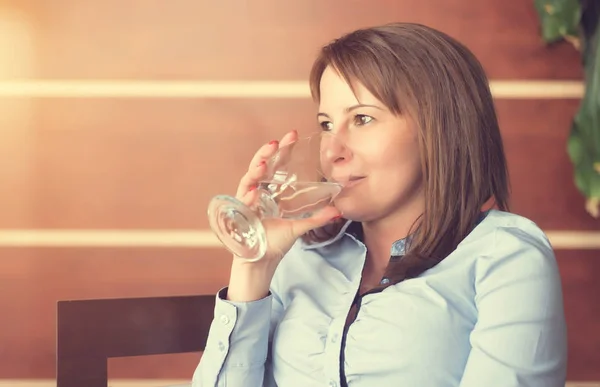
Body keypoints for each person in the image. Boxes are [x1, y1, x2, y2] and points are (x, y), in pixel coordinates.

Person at [192, 22, 567, 387]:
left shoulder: (505, 256)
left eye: (362, 118)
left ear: (439, 127)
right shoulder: (301, 255)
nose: (331, 150)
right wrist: (252, 267)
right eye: (326, 124)